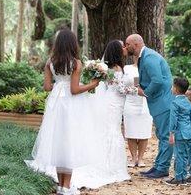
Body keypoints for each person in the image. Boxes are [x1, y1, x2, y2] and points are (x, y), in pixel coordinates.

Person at [25, 28, 99, 195]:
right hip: (71, 104)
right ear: (73, 44)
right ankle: (66, 187)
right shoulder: (76, 63)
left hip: (55, 103)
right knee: (70, 141)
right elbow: (74, 89)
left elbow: (46, 87)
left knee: (58, 141)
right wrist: (93, 85)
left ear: (57, 44)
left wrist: (58, 85)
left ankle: (60, 185)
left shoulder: (50, 62)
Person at [71, 39, 137, 189]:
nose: (125, 48)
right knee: (111, 132)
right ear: (117, 51)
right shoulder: (116, 69)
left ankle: (108, 164)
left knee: (109, 132)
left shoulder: (112, 67)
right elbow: (121, 89)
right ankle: (109, 167)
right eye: (122, 47)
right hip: (113, 105)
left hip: (112, 103)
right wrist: (137, 91)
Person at [125, 34, 173, 179]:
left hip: (162, 103)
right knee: (162, 135)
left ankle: (162, 168)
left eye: (127, 44)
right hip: (159, 102)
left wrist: (145, 93)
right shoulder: (144, 56)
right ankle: (158, 166)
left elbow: (157, 81)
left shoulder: (149, 57)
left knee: (165, 136)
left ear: (136, 44)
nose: (126, 47)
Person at [123, 55, 153, 167]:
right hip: (130, 102)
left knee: (143, 132)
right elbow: (122, 84)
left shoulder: (149, 70)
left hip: (145, 102)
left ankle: (140, 158)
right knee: (131, 132)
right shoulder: (126, 68)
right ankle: (133, 158)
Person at [166, 77, 191, 186]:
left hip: (180, 133)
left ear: (176, 89)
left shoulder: (175, 103)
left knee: (178, 156)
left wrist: (171, 133)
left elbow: (173, 120)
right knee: (184, 155)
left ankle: (178, 178)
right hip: (189, 132)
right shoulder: (188, 101)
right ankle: (182, 177)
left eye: (173, 86)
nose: (172, 88)